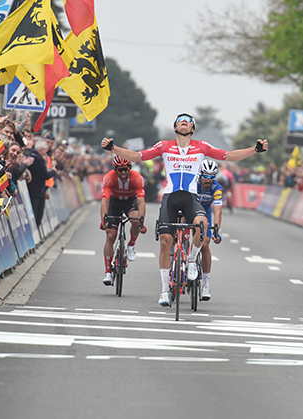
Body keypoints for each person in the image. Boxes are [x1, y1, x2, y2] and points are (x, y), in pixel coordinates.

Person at [101, 112, 268, 306]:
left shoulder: (202, 147)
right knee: (165, 243)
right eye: (180, 121)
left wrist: (254, 150)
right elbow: (137, 156)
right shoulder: (164, 146)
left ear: (192, 129)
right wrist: (114, 149)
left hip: (190, 197)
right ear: (175, 127)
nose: (184, 123)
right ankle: (164, 291)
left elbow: (229, 156)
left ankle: (190, 260)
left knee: (202, 223)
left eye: (188, 121)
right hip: (170, 197)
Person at [100, 156, 147, 286]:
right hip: (114, 203)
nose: (123, 172)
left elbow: (141, 201)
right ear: (115, 169)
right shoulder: (109, 177)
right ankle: (108, 272)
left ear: (129, 168)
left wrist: (141, 222)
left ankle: (131, 244)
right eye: (120, 170)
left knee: (135, 220)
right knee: (110, 236)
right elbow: (105, 200)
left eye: (125, 169)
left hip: (130, 202)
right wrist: (104, 220)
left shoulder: (137, 177)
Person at [196, 159, 223, 301]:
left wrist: (216, 232)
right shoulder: (193, 183)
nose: (208, 180)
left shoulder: (216, 188)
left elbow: (217, 212)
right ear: (199, 174)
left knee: (205, 245)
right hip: (190, 210)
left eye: (212, 177)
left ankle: (206, 284)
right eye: (205, 176)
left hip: (205, 212)